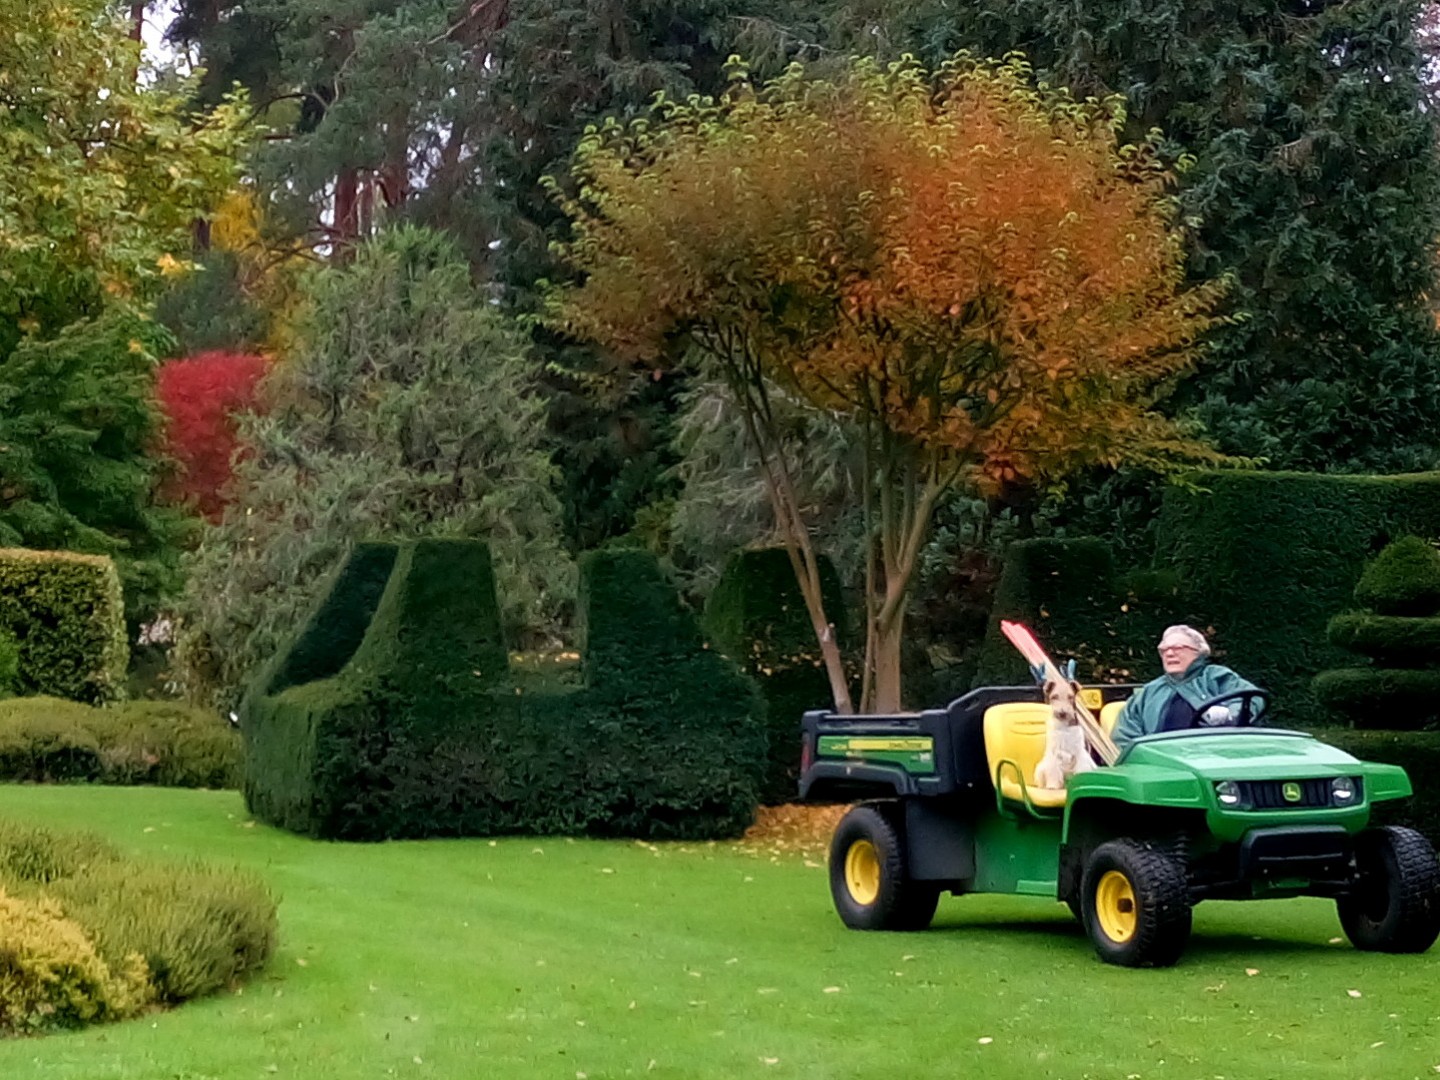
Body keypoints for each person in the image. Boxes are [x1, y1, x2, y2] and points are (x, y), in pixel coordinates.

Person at [1112, 625, 1260, 752]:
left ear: (1198, 652)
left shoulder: (1216, 676)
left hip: (1217, 757)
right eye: (1164, 650)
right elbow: (1124, 737)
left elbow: (1252, 699)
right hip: (1163, 766)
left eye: (1178, 648)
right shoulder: (1148, 693)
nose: (1169, 654)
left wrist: (1230, 714)